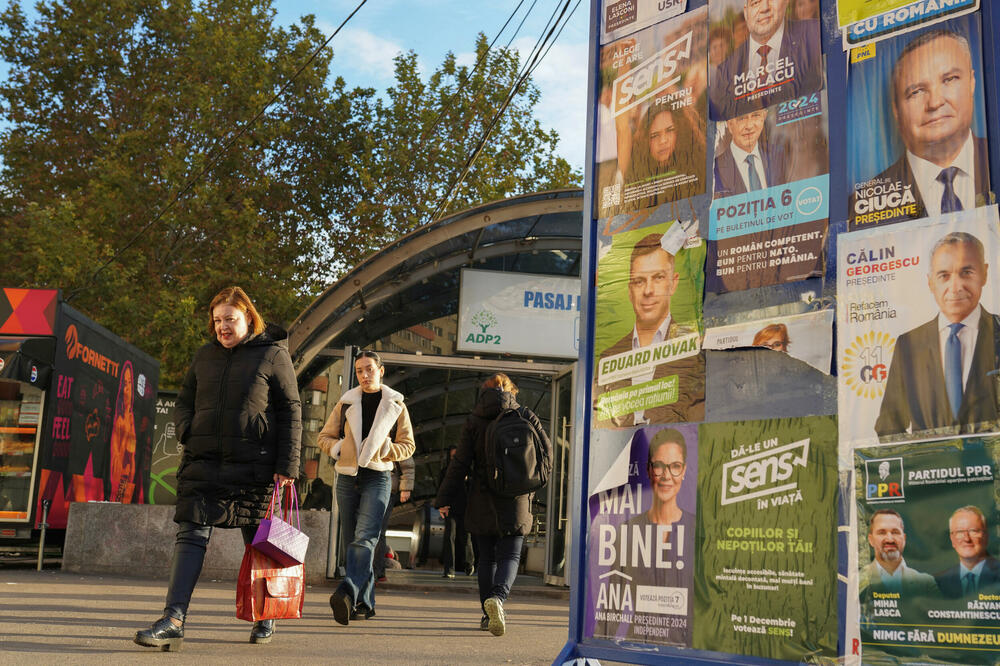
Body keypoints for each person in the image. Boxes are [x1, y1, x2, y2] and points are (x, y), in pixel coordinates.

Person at [134, 287, 302, 650]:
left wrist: (287, 465)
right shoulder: (204, 356)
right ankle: (173, 619)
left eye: (230, 319)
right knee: (190, 536)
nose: (223, 327)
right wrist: (187, 431)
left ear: (248, 318)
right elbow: (184, 401)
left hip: (254, 467)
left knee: (259, 544)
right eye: (217, 320)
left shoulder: (273, 355)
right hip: (204, 462)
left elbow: (291, 410)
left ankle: (265, 614)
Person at [434, 373, 551, 637]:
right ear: (512, 391)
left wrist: (443, 499)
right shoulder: (525, 415)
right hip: (517, 497)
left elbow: (459, 464)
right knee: (510, 555)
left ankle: (488, 616)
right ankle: (498, 598)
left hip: (481, 496)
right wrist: (532, 482)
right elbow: (548, 454)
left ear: (483, 392)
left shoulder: (474, 420)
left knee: (486, 559)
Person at [852, 30, 990, 225]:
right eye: (916, 91)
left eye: (949, 79)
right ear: (896, 110)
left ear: (972, 82)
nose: (934, 102)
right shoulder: (857, 208)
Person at [319, 350, 415, 626]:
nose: (364, 375)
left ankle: (347, 590)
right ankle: (364, 603)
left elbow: (408, 445)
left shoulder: (396, 404)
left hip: (378, 477)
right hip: (347, 477)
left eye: (369, 369)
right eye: (360, 370)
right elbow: (324, 436)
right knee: (355, 543)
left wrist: (387, 449)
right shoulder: (347, 402)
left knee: (365, 539)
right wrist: (338, 449)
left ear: (381, 370)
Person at [875, 232, 999, 439]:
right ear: (931, 282)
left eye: (966, 272)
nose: (955, 286)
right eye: (944, 276)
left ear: (984, 273)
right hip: (930, 470)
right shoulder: (909, 345)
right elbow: (889, 426)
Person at [595, 233, 705, 427]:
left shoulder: (695, 350)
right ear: (630, 290)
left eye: (658, 278)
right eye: (639, 281)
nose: (648, 291)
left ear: (674, 283)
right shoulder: (608, 358)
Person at [619, 428, 694, 646]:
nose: (666, 475)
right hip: (641, 644)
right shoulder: (627, 531)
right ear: (649, 470)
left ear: (684, 470)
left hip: (689, 648)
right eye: (659, 465)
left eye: (675, 466)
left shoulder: (699, 531)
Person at [710, 0, 822, 119]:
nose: (764, 8)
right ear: (746, 12)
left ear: (786, 2)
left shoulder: (813, 34)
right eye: (756, 3)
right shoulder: (725, 71)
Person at [624, 104, 706, 209]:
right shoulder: (638, 179)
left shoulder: (701, 168)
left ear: (682, 131)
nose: (662, 141)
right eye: (654, 135)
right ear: (646, 141)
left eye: (670, 130)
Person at [859, 509, 937, 597]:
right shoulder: (857, 581)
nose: (890, 539)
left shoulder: (926, 583)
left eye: (895, 532)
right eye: (882, 533)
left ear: (904, 538)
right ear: (871, 540)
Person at [713, 109, 788, 197]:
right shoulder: (714, 169)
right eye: (741, 118)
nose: (749, 126)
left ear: (764, 116)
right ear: (729, 124)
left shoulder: (778, 154)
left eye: (756, 115)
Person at [935, 506, 1000, 598]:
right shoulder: (939, 582)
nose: (966, 538)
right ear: (952, 539)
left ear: (985, 536)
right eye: (959, 532)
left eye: (973, 531)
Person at [374, 457, 414, 582]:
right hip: (371, 484)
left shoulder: (392, 437)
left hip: (387, 487)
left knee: (378, 531)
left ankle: (377, 571)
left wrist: (406, 487)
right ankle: (376, 571)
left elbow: (407, 462)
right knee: (375, 531)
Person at [438, 447, 474, 578]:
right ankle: (449, 569)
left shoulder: (468, 472)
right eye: (452, 456)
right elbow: (441, 490)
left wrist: (466, 479)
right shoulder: (445, 472)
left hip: (466, 509)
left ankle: (469, 564)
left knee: (465, 537)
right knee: (449, 537)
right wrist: (441, 505)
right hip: (450, 509)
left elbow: (473, 490)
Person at [109, 360, 137, 502]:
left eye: (129, 383)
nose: (127, 388)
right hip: (118, 477)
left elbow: (131, 453)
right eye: (124, 384)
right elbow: (117, 455)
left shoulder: (130, 416)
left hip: (128, 477)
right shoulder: (118, 417)